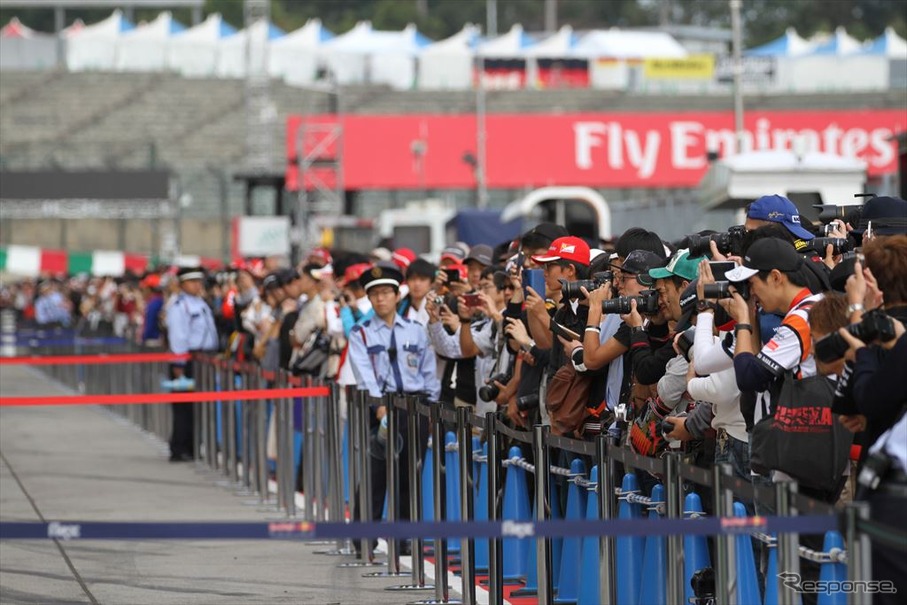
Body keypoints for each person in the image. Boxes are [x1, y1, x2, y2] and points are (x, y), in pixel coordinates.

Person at [346, 264, 441, 558]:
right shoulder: (361, 333)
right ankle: (364, 536)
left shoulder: (415, 330)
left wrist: (430, 408)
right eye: (374, 294)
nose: (381, 299)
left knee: (409, 472)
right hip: (380, 406)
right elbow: (363, 372)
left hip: (413, 406)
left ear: (396, 294)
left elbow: (428, 372)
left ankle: (403, 537)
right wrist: (379, 406)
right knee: (375, 471)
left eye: (386, 292)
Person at [165, 267, 218, 462]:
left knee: (196, 406)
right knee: (183, 406)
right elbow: (178, 337)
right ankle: (179, 447)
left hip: (202, 359)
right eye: (192, 282)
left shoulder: (200, 303)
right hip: (186, 361)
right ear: (182, 284)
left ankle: (192, 446)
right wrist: (179, 365)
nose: (197, 285)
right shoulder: (180, 306)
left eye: (199, 281)